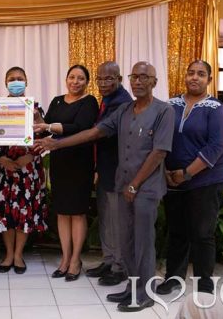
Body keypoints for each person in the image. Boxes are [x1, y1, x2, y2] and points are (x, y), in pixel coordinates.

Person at [35, 61, 175, 312]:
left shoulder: (164, 111)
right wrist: (57, 144)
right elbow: (94, 133)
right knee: (126, 239)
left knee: (143, 240)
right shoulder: (124, 109)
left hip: (145, 187)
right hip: (123, 184)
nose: (139, 82)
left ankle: (144, 294)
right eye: (135, 77)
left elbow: (159, 153)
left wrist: (135, 184)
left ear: (154, 81)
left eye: (145, 77)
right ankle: (131, 288)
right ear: (129, 80)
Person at [156, 60, 223, 295]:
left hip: (205, 180)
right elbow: (161, 138)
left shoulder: (216, 109)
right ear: (185, 77)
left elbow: (216, 146)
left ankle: (204, 286)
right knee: (177, 231)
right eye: (190, 73)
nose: (194, 77)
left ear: (209, 79)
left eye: (200, 74)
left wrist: (187, 173)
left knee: (202, 233)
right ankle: (173, 278)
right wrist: (167, 172)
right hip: (173, 180)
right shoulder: (171, 105)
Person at [33, 64, 99, 282]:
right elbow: (45, 125)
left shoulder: (90, 102)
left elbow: (80, 127)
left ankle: (75, 260)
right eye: (72, 77)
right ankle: (65, 257)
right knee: (62, 211)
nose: (75, 81)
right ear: (66, 79)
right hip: (59, 161)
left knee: (77, 212)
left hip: (80, 163)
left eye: (81, 78)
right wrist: (35, 119)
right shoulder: (57, 100)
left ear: (86, 82)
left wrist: (48, 127)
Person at [0, 67, 48, 274]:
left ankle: (18, 255)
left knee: (24, 212)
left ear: (27, 82)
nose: (16, 82)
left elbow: (45, 138)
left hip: (27, 170)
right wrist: (1, 158)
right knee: (5, 212)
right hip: (3, 171)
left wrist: (29, 157)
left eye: (20, 79)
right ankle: (8, 253)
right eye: (12, 79)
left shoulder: (36, 108)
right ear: (5, 83)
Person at [85, 61, 132, 286]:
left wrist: (58, 140)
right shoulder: (108, 99)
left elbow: (99, 133)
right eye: (100, 79)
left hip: (117, 172)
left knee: (116, 221)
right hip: (104, 170)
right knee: (105, 219)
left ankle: (119, 267)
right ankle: (109, 259)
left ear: (119, 79)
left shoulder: (122, 102)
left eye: (109, 78)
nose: (103, 83)